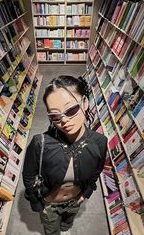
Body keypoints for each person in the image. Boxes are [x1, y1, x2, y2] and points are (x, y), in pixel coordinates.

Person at [22, 75, 108, 235]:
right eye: (55, 116)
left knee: (67, 225)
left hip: (76, 201)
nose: (64, 120)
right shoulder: (40, 143)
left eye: (72, 110)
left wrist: (86, 194)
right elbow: (28, 176)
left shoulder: (100, 142)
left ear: (85, 103)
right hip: (49, 204)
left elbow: (97, 171)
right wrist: (39, 205)